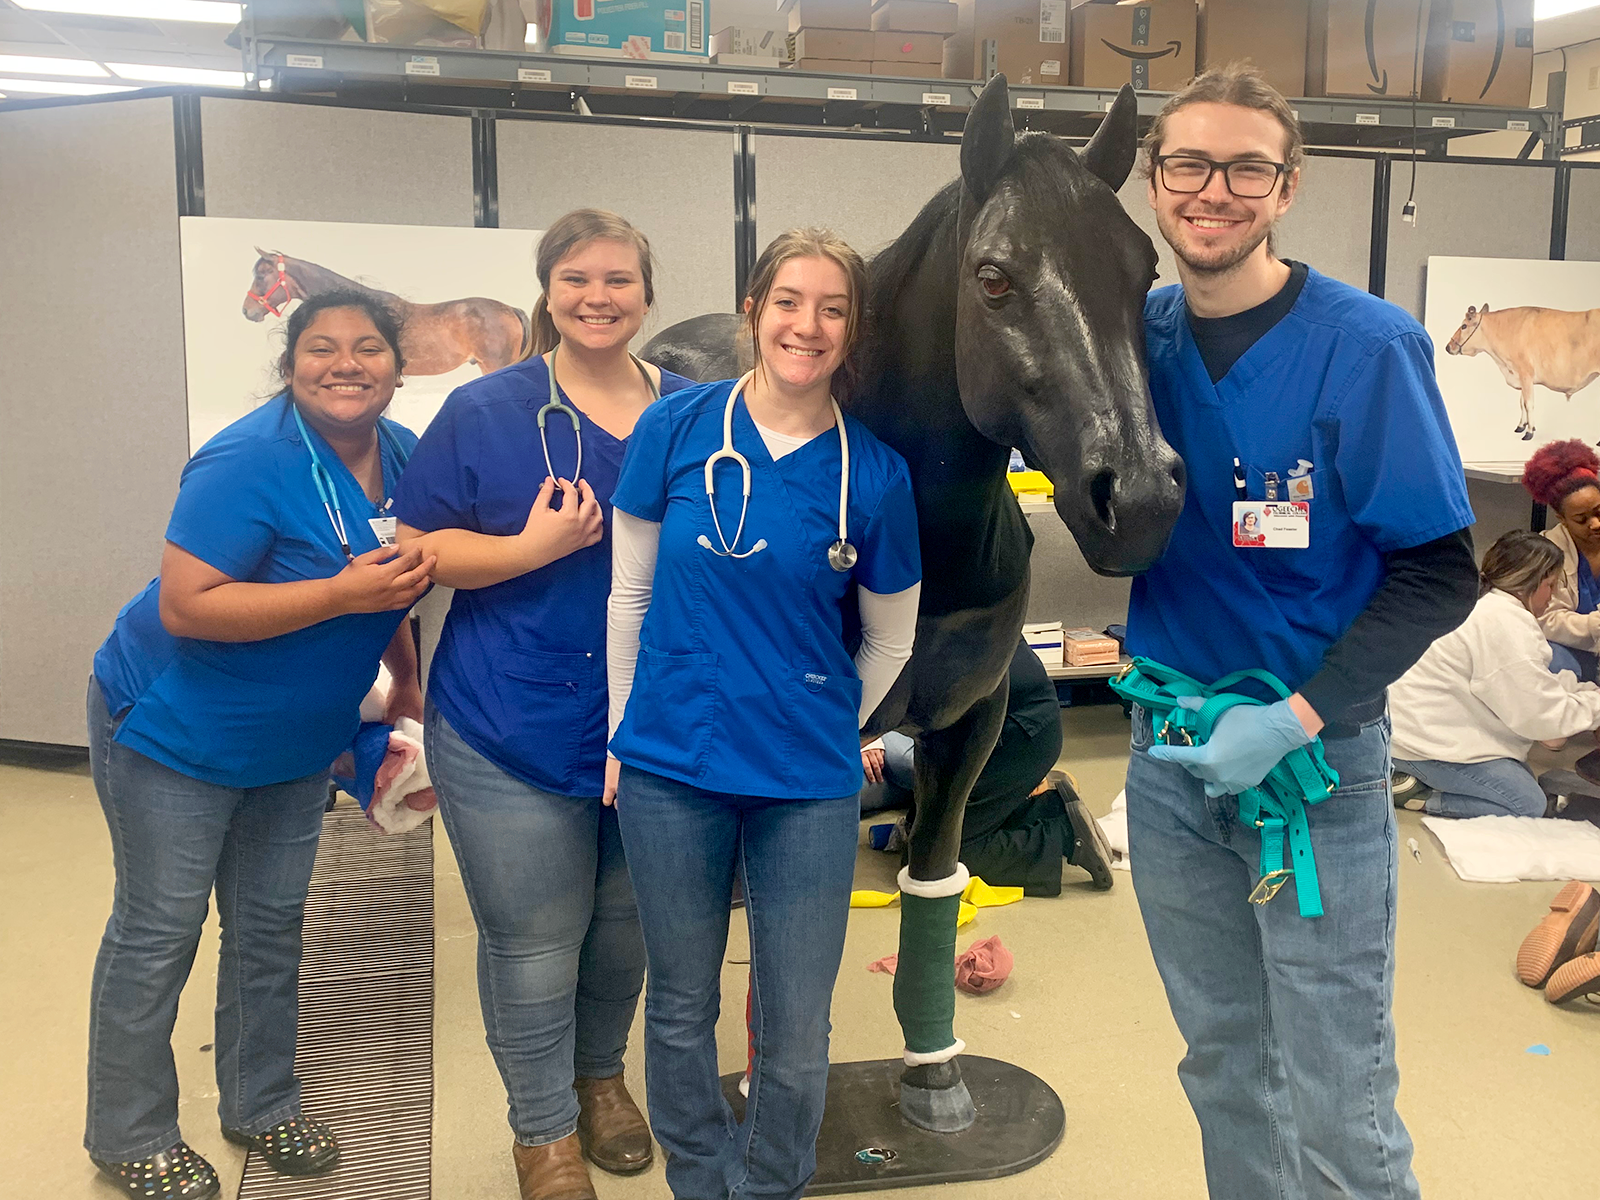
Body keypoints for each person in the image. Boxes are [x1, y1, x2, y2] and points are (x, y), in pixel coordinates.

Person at [1124, 66, 1478, 1199]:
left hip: (1312, 767)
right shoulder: (1135, 340)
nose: (1212, 190)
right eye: (1187, 163)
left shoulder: (1366, 347)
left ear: (1286, 188)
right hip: (1171, 759)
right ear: (1152, 180)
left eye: (1246, 168)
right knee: (1223, 1060)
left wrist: (1296, 714)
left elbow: (1437, 574)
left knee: (1337, 1085)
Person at [85, 290, 433, 1200]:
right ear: (290, 365)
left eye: (367, 348)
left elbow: (390, 574)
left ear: (400, 367)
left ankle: (262, 1100)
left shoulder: (403, 459)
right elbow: (186, 604)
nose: (345, 364)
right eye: (321, 348)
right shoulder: (245, 461)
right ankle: (130, 1132)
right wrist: (335, 598)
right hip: (173, 729)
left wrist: (407, 680)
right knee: (158, 932)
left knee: (271, 929)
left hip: (295, 740)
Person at [605, 228, 920, 1200]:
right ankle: (701, 1180)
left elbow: (890, 642)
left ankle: (770, 1183)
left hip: (803, 788)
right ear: (753, 310)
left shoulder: (872, 475)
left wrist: (823, 722)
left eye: (832, 308)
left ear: (851, 332)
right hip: (671, 768)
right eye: (789, 301)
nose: (807, 325)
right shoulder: (676, 427)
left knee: (794, 1022)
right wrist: (624, 732)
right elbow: (629, 592)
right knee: (680, 1005)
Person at [394, 210, 692, 1200]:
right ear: (548, 289)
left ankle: (601, 1080)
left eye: (617, 279)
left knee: (624, 931)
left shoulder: (694, 413)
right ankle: (542, 1134)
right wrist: (530, 549)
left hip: (652, 727)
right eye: (576, 279)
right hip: (507, 720)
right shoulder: (489, 413)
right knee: (533, 942)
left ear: (647, 294)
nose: (597, 297)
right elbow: (418, 551)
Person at [861, 637, 1114, 895]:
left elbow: (893, 702)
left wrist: (862, 742)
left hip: (1018, 732)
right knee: (924, 834)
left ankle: (1063, 836)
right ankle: (1045, 809)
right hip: (1003, 723)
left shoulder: (916, 623)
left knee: (931, 864)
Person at [1389, 531, 1600, 818]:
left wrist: (1588, 693)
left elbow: (1536, 678)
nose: (1552, 597)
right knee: (1527, 804)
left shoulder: (1492, 605)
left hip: (1429, 728)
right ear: (1529, 583)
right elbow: (1538, 716)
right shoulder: (1502, 622)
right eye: (1550, 585)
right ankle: (1416, 794)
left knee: (1522, 783)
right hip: (1425, 744)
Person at [1521, 438, 1600, 681]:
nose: (1595, 524)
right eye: (1581, 519)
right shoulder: (1546, 555)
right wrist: (1596, 626)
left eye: (1599, 511)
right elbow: (1544, 618)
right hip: (1569, 651)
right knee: (1559, 667)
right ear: (1561, 517)